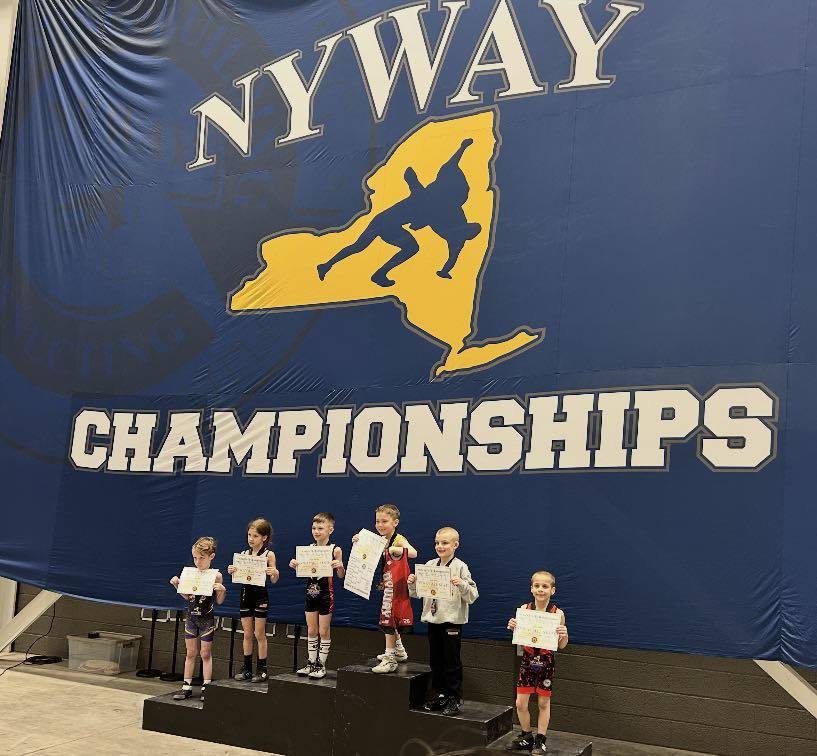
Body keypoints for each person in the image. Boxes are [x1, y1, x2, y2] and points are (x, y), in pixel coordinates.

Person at [408, 526, 478, 716]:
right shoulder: (430, 565)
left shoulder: (460, 567)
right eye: (437, 543)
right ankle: (439, 695)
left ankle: (454, 697)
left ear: (455, 545)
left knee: (451, 661)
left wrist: (461, 584)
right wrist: (412, 582)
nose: (440, 546)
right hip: (433, 620)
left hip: (452, 622)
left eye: (445, 543)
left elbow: (472, 595)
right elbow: (416, 593)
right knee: (436, 661)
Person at [505, 571, 569, 754]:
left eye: (545, 586)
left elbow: (562, 645)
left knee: (543, 703)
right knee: (520, 703)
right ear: (531, 589)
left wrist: (564, 635)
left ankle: (540, 740)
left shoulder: (558, 614)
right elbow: (520, 637)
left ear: (552, 590)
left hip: (547, 662)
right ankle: (526, 736)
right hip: (527, 660)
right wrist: (513, 627)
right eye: (537, 586)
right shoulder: (524, 610)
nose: (540, 590)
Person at [353, 503, 417, 672]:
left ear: (395, 522)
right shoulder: (379, 539)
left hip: (398, 585)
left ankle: (390, 659)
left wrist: (393, 549)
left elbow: (413, 553)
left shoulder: (398, 539)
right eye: (377, 521)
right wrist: (359, 542)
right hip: (388, 584)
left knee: (388, 619)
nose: (380, 525)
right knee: (390, 618)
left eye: (384, 521)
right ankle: (400, 651)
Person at [288, 512, 346, 679]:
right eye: (314, 528)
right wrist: (296, 565)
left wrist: (340, 566)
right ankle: (311, 663)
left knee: (323, 630)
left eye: (320, 528)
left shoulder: (335, 549)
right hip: (310, 593)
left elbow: (341, 575)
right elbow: (304, 570)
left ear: (330, 529)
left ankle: (321, 665)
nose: (316, 531)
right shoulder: (309, 549)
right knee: (312, 630)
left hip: (326, 594)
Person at [169, 536, 226, 701]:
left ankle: (206, 686)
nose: (198, 561)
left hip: (206, 619)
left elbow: (219, 601)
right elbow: (188, 597)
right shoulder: (190, 573)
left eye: (202, 558)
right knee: (191, 652)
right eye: (195, 557)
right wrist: (177, 585)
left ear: (211, 557)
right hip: (191, 618)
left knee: (205, 653)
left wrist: (222, 590)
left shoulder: (216, 576)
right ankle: (186, 685)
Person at [228, 518, 280, 683]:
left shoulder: (268, 554)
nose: (251, 539)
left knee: (259, 633)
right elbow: (238, 576)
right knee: (247, 633)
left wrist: (274, 573)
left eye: (255, 536)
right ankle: (247, 669)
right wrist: (232, 570)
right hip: (246, 594)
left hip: (260, 596)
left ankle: (262, 669)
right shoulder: (243, 555)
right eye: (249, 535)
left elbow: (273, 580)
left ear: (264, 538)